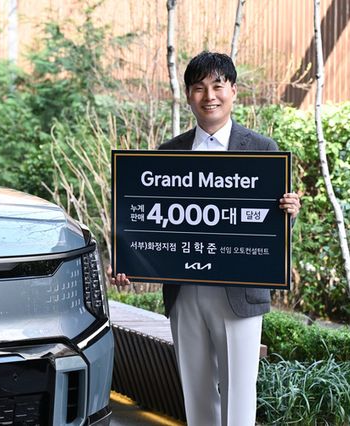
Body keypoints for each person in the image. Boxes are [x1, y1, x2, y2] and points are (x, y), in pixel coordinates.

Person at [109, 51, 301, 426]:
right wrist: (128, 260)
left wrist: (288, 214)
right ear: (188, 95)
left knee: (239, 393)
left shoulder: (263, 150)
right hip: (185, 292)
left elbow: (269, 231)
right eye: (199, 88)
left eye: (217, 86)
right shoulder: (168, 153)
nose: (209, 96)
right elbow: (152, 222)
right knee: (195, 394)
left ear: (233, 91)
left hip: (239, 293)